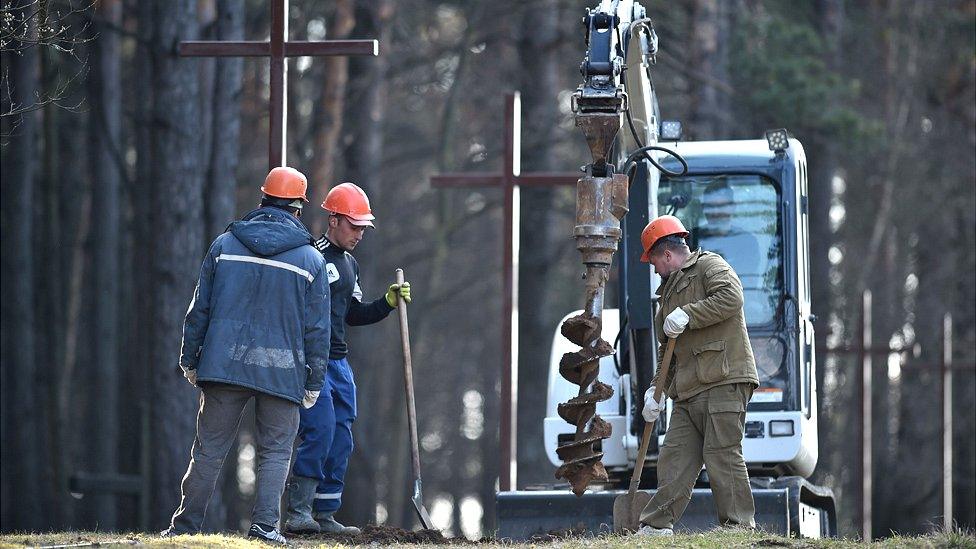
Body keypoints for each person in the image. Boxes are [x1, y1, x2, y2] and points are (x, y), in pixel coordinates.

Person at [162, 167, 331, 546]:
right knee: (275, 452)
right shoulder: (311, 261)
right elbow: (318, 330)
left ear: (262, 200)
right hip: (282, 371)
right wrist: (313, 382)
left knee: (208, 449)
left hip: (222, 364)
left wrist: (190, 358)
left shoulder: (224, 245)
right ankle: (265, 528)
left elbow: (199, 309)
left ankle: (185, 529)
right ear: (297, 209)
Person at [285, 182, 411, 535]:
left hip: (340, 365)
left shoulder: (351, 265)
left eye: (363, 228)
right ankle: (298, 512)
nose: (360, 234)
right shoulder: (310, 256)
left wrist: (386, 303)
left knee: (342, 438)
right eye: (354, 226)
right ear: (334, 220)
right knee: (320, 430)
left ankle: (325, 514)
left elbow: (353, 314)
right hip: (313, 361)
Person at [635, 214, 760, 536]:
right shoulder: (666, 297)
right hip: (688, 389)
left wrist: (688, 314)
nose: (653, 270)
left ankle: (738, 527)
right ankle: (655, 526)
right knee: (674, 458)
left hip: (723, 378)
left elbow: (732, 298)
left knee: (721, 455)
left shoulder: (709, 265)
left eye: (653, 262)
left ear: (666, 254)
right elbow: (668, 350)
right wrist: (655, 392)